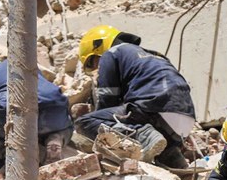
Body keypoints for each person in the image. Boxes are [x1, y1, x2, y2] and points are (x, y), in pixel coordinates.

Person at [75, 25, 196, 169]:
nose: (96, 67)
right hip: (185, 121)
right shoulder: (155, 55)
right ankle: (175, 160)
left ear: (98, 47)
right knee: (156, 140)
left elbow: (108, 100)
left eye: (92, 62)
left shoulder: (111, 53)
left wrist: (100, 134)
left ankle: (143, 134)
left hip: (153, 109)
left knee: (86, 121)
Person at [0, 58, 73, 164]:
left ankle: (27, 154)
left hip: (16, 115)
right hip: (55, 107)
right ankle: (57, 136)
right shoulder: (18, 61)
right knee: (68, 122)